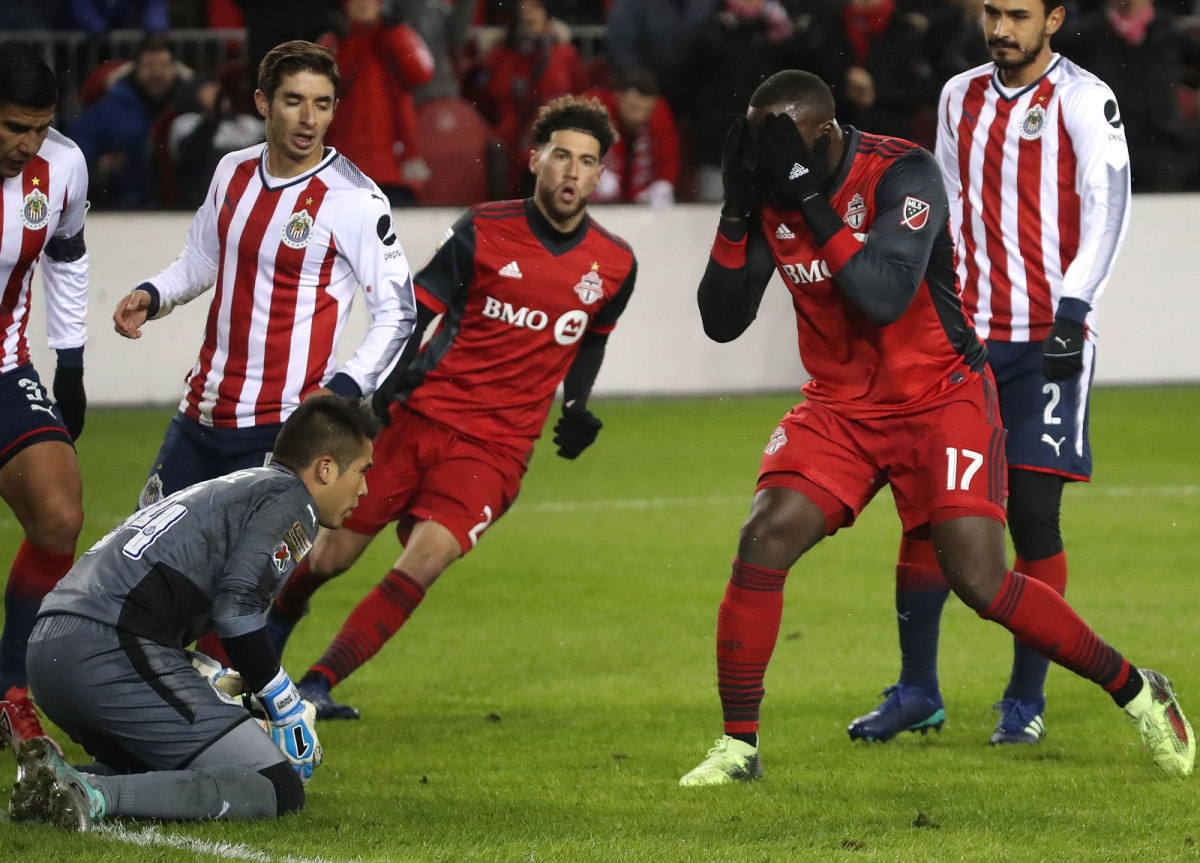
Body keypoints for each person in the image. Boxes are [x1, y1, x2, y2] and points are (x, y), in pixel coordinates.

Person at [677, 69, 1193, 786]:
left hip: (940, 397)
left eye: (779, 140)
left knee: (980, 579)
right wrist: (737, 209)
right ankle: (739, 749)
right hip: (840, 407)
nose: (765, 154)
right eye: (756, 139)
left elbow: (884, 296)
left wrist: (809, 199)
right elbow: (721, 320)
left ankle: (1137, 688)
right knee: (763, 537)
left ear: (823, 136)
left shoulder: (903, 173)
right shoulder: (770, 192)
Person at [263, 95, 637, 720]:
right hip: (420, 416)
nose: (572, 171)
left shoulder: (616, 262)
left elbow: (592, 338)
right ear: (536, 159)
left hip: (498, 448)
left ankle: (318, 684)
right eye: (561, 155)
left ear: (600, 174)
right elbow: (418, 314)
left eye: (586, 161)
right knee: (330, 556)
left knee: (428, 558)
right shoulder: (483, 228)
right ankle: (267, 636)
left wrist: (576, 405)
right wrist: (380, 396)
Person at [847, 0, 1135, 748]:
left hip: (1048, 341)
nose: (1000, 28)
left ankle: (1025, 697)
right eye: (991, 12)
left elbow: (1108, 207)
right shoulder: (958, 95)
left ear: (1054, 19)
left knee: (1034, 515)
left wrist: (1075, 308)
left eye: (1018, 14)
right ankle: (918, 690)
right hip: (965, 342)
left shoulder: (1084, 98)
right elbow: (942, 205)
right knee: (932, 509)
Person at [6, 396, 378, 831]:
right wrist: (285, 702)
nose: (364, 489)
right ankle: (91, 794)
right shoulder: (293, 500)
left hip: (52, 645)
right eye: (362, 471)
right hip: (106, 646)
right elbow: (237, 610)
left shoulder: (240, 485)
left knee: (166, 766)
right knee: (277, 785)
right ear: (326, 468)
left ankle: (53, 784)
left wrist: (204, 669)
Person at [112, 39, 416, 512]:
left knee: (246, 562)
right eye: (294, 101)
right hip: (200, 413)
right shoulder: (232, 170)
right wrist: (154, 294)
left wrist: (345, 389)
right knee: (147, 552)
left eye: (322, 104)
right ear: (263, 103)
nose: (309, 118)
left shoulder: (356, 199)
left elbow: (398, 312)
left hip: (284, 431)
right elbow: (202, 258)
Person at [0, 42, 90, 754]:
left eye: (40, 127)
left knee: (59, 517)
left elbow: (65, 254)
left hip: (6, 367)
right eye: (13, 127)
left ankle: (9, 692)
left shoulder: (62, 165)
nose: (28, 144)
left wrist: (72, 360)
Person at [321, 0, 436, 207]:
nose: (363, 3)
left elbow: (423, 73)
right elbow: (322, 86)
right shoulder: (332, 42)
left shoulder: (399, 35)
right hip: (342, 167)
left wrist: (396, 34)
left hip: (395, 170)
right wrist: (345, 42)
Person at [69, 33, 196, 208]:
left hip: (183, 207)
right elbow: (75, 147)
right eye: (149, 66)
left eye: (164, 66)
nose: (156, 73)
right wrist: (98, 165)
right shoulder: (110, 107)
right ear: (136, 69)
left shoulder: (192, 107)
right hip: (122, 207)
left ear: (175, 69)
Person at [587, 69, 681, 208]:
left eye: (646, 110)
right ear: (619, 96)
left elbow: (668, 152)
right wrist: (591, 168)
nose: (639, 116)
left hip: (636, 194)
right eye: (633, 107)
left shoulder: (659, 110)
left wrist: (664, 182)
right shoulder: (594, 106)